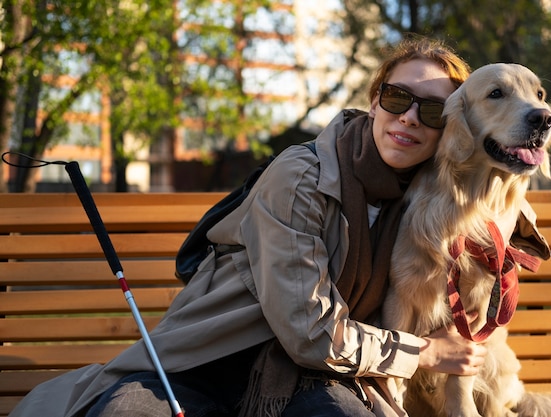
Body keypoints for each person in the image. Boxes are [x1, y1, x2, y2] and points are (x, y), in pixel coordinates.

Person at [10, 36, 492, 417]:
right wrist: (426, 352)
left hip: (317, 378)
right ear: (374, 100)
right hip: (204, 362)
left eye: (431, 110)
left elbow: (503, 202)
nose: (408, 117)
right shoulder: (302, 175)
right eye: (396, 96)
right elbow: (312, 332)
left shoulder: (430, 200)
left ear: (451, 128)